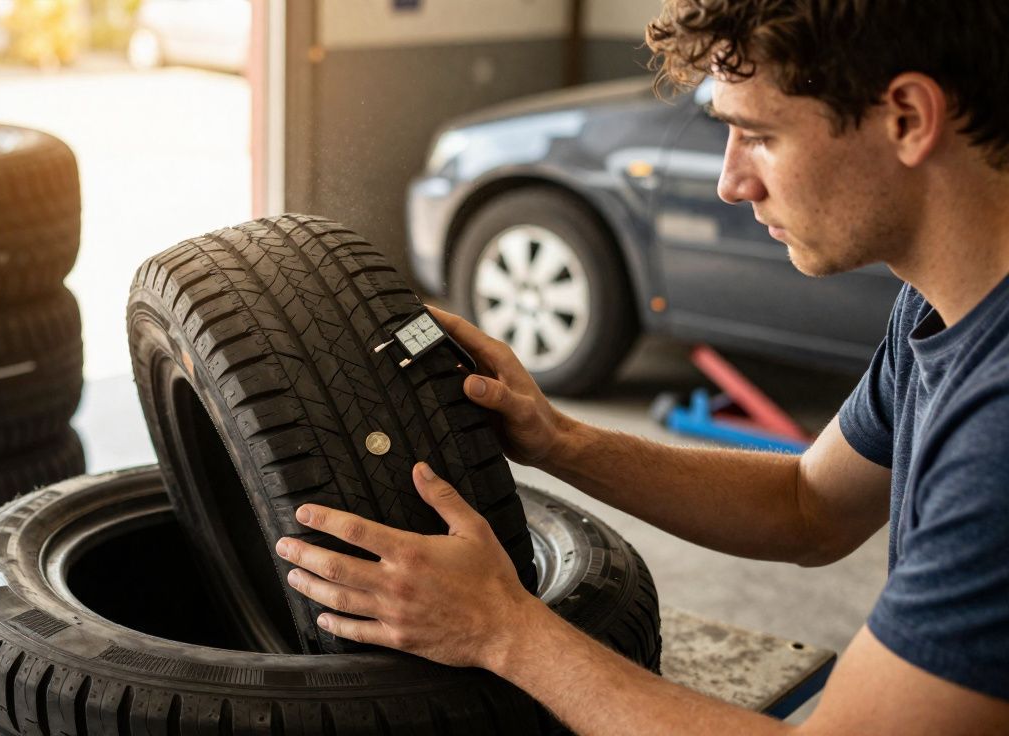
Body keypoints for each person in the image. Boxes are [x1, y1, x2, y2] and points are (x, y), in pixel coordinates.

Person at [273, 1, 1009, 732]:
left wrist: (501, 628)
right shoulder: (940, 303)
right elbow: (808, 505)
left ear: (908, 117)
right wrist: (559, 440)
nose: (731, 181)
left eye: (757, 134)